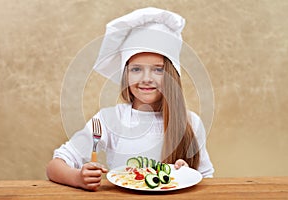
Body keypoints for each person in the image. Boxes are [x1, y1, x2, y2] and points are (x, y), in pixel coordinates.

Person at [46, 7, 214, 191]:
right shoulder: (109, 119)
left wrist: (186, 174)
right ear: (125, 75)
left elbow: (207, 180)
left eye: (158, 69)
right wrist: (77, 177)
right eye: (136, 69)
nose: (146, 78)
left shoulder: (191, 123)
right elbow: (54, 167)